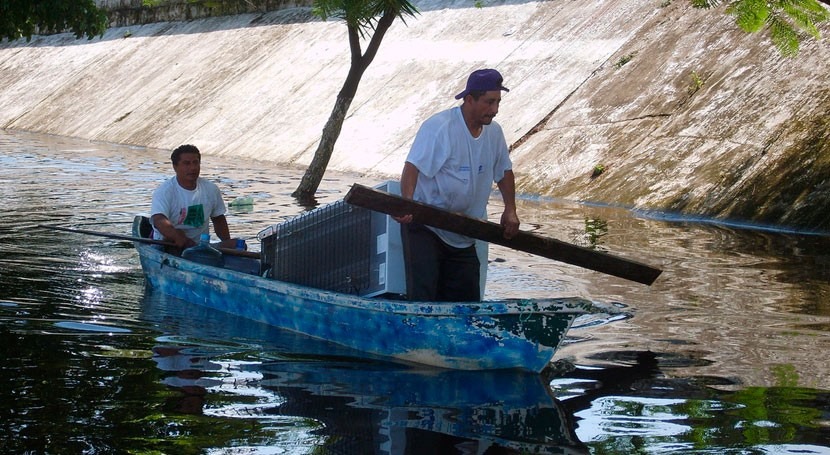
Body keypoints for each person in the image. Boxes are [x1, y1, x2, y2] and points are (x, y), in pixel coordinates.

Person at [395, 68, 520, 302]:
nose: (494, 110)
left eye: (498, 103)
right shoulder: (440, 127)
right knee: (425, 298)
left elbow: (504, 172)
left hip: (465, 231)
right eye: (489, 102)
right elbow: (412, 168)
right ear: (469, 99)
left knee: (467, 304)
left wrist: (510, 210)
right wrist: (407, 204)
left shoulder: (494, 133)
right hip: (427, 227)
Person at [150, 144, 237, 252]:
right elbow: (159, 220)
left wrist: (228, 245)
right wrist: (178, 237)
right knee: (173, 244)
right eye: (186, 164)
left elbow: (218, 219)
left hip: (201, 247)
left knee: (237, 244)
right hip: (170, 245)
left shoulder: (211, 189)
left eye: (195, 163)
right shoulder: (164, 191)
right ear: (175, 167)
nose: (192, 168)